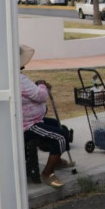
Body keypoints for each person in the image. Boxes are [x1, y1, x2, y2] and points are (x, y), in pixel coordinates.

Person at [19, 45, 73, 188]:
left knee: (58, 126)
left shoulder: (16, 77)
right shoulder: (18, 78)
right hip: (27, 125)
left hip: (32, 119)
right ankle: (47, 173)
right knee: (61, 137)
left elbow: (29, 91)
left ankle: (56, 160)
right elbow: (41, 96)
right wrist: (42, 85)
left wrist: (38, 85)